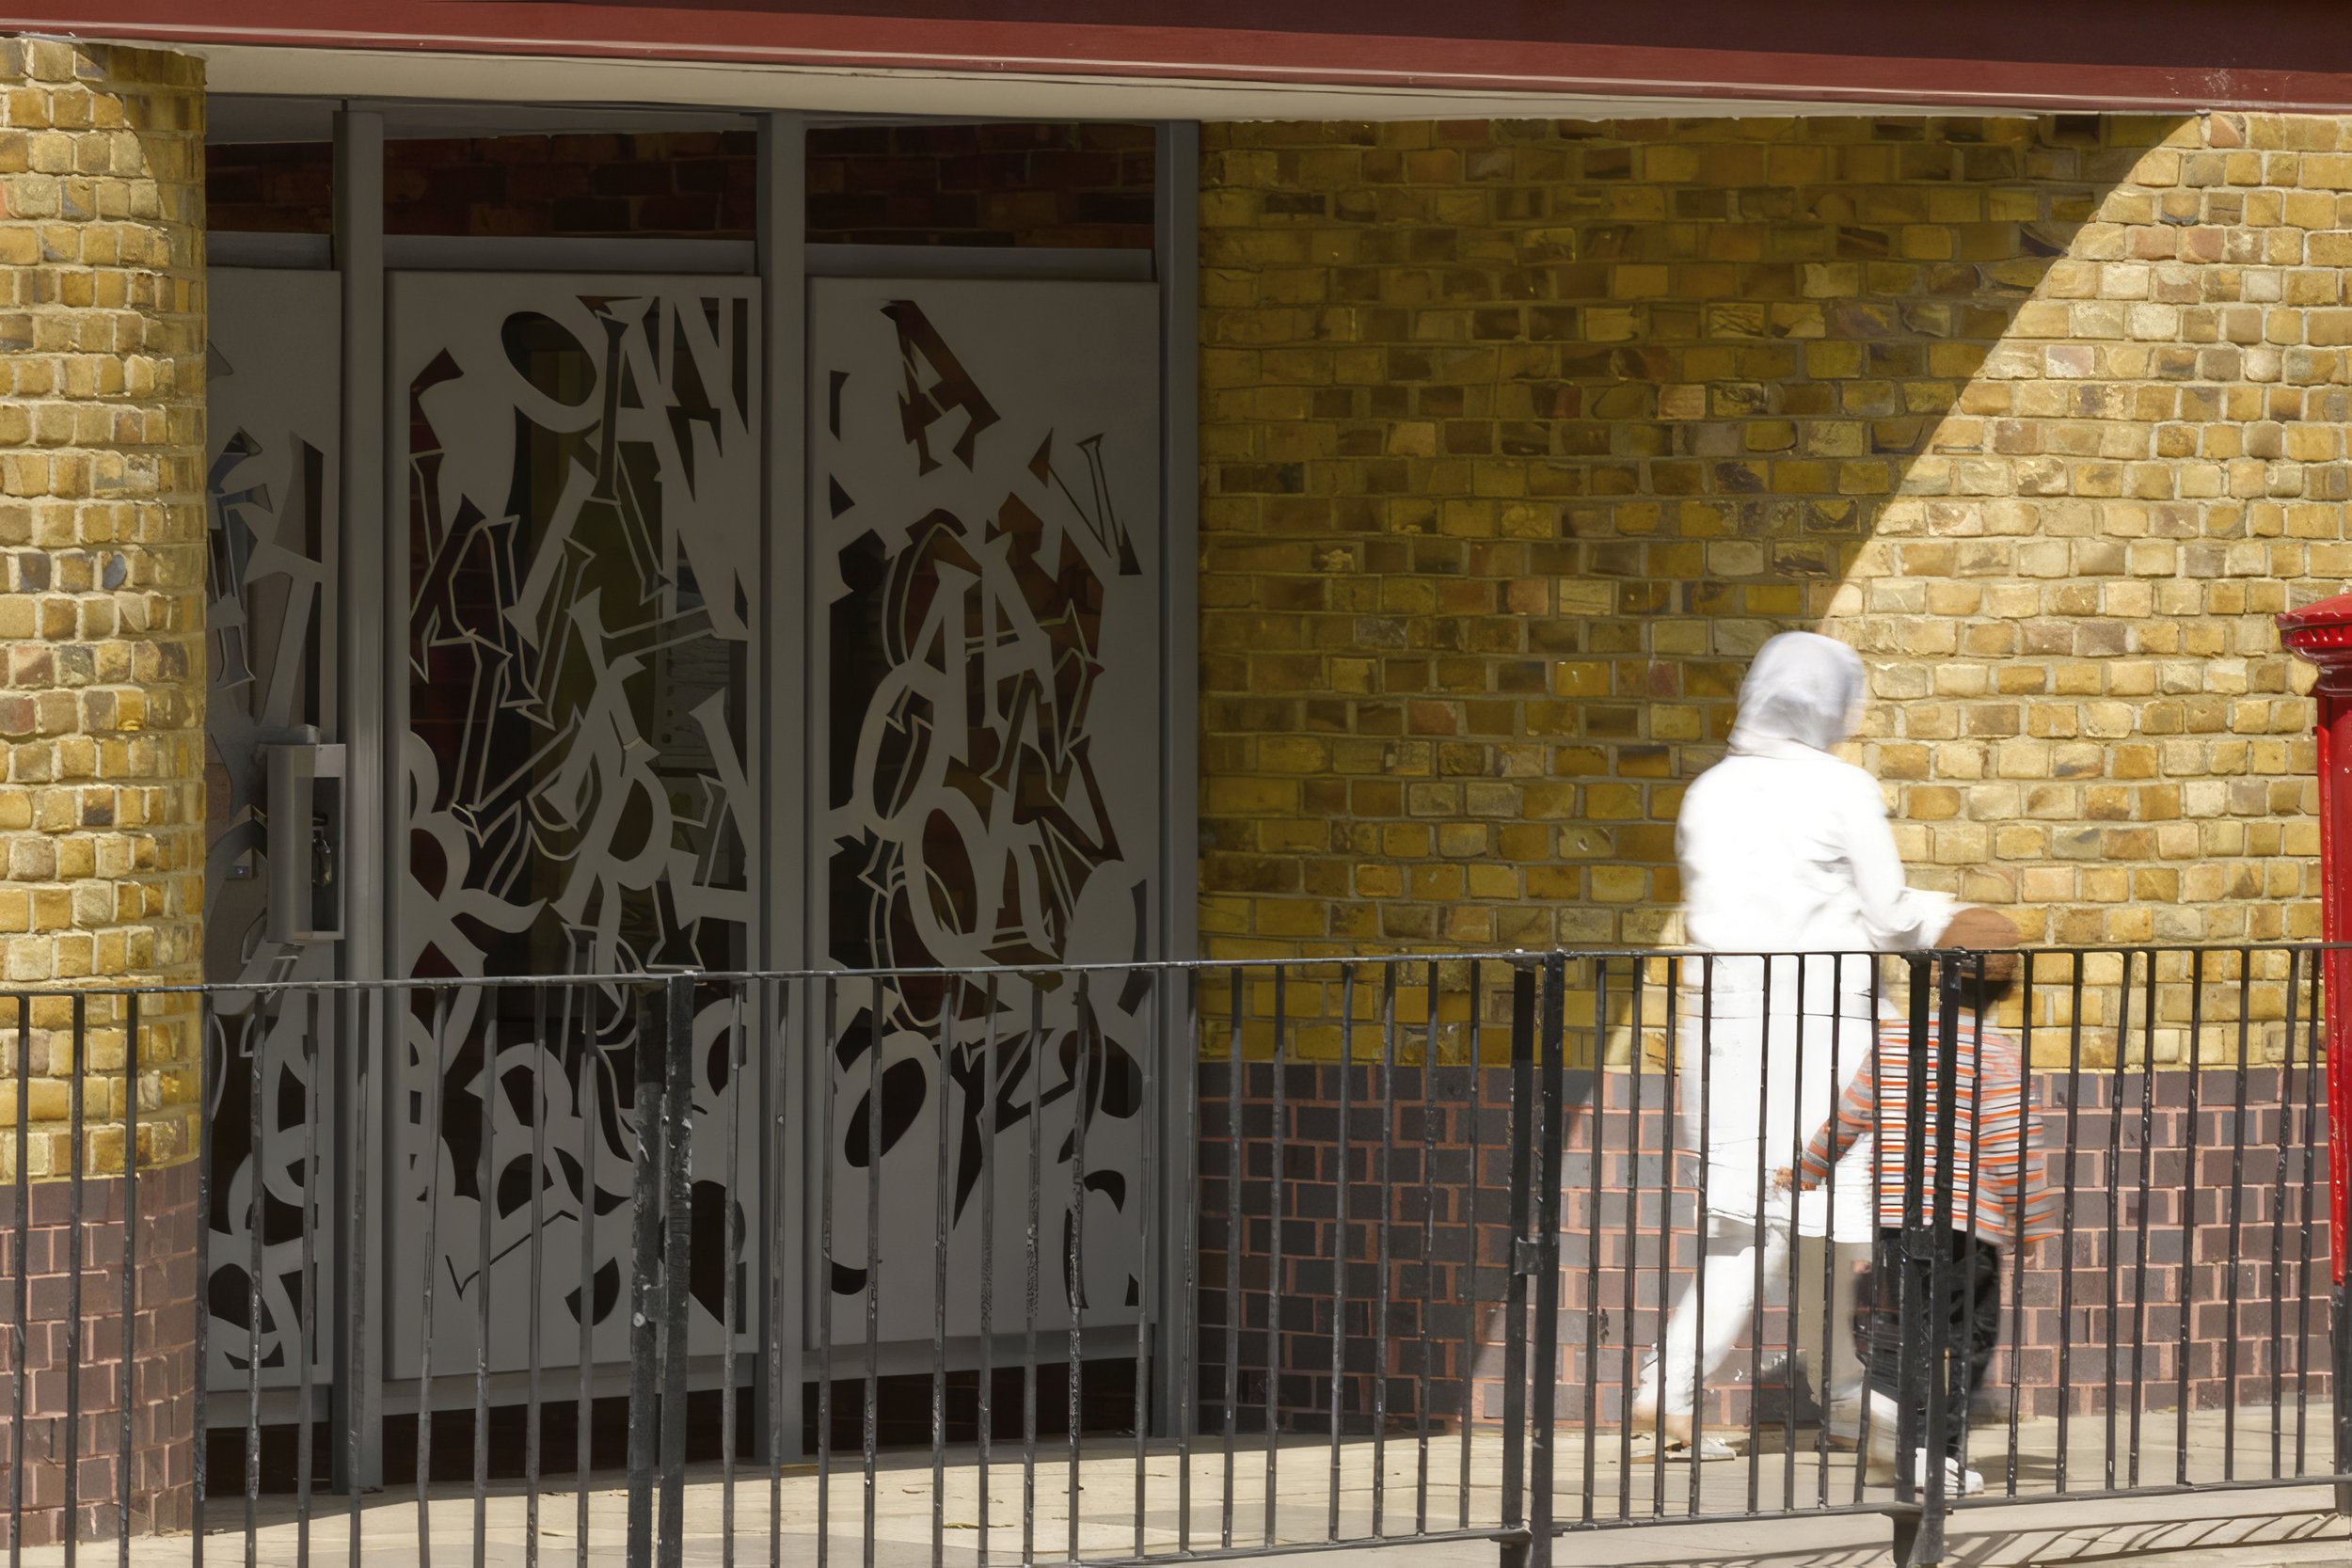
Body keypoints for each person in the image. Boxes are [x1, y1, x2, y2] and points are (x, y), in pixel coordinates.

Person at [1629, 630, 1996, 1453]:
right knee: (1833, 1222)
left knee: (1743, 1223)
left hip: (1720, 1027)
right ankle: (1836, 1398)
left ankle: (1683, 1389)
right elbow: (1893, 913)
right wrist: (1951, 920)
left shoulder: (1709, 790)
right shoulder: (1842, 790)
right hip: (1822, 1030)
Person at [1788, 920, 2056, 1494]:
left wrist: (1810, 1169)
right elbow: (2014, 1145)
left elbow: (1851, 1115)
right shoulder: (1997, 1056)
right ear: (2005, 990)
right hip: (1967, 1225)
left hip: (1899, 1220)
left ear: (1937, 978)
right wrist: (2029, 1221)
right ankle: (1940, 1457)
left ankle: (1897, 1425)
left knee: (1908, 1325)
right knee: (1966, 1338)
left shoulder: (1895, 1040)